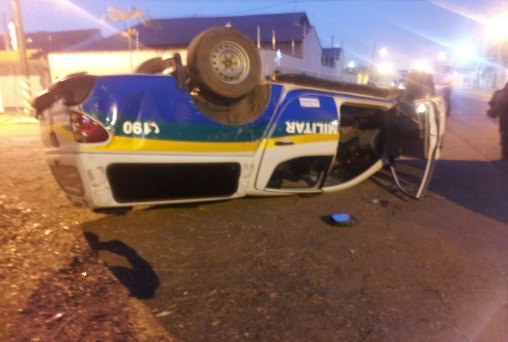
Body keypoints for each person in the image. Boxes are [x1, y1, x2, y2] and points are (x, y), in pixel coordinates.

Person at [487, 83, 508, 160]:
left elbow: (493, 104)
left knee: (504, 136)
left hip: (504, 120)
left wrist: (492, 112)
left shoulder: (499, 93)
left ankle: (504, 156)